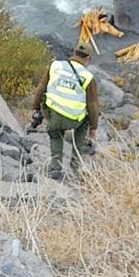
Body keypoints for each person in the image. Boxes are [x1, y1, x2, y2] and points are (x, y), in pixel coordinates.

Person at [30, 46, 100, 180]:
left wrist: (36, 108)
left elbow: (41, 89)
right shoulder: (88, 77)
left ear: (74, 53)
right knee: (85, 121)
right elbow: (93, 106)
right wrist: (93, 129)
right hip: (73, 119)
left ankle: (56, 167)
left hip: (53, 115)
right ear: (87, 58)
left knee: (56, 135)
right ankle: (75, 162)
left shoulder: (55, 66)